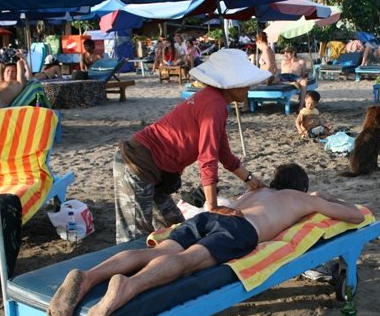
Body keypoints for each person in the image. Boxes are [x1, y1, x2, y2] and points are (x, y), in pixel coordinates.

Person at [47, 163, 365, 316]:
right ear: (301, 187)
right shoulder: (300, 199)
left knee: (159, 253)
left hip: (211, 217)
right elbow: (355, 215)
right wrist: (324, 199)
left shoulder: (258, 191)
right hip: (241, 230)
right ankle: (129, 285)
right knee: (187, 262)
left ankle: (89, 276)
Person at [113, 49, 270, 244]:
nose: (248, 88)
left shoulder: (216, 101)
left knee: (175, 226)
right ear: (231, 84)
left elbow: (223, 153)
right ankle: (123, 272)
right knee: (135, 236)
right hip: (137, 163)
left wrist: (250, 179)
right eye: (245, 84)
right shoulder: (213, 106)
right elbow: (208, 157)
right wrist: (212, 205)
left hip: (157, 170)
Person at [279, 46, 309, 110]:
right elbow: (282, 73)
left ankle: (300, 106)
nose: (285, 55)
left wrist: (301, 80)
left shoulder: (301, 62)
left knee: (304, 82)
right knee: (273, 78)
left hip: (295, 77)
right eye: (284, 53)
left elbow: (303, 75)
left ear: (293, 53)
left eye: (287, 53)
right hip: (284, 76)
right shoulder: (283, 61)